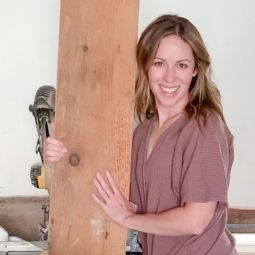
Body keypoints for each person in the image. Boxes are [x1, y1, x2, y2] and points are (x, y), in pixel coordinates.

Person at [44, 14, 237, 255]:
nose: (169, 77)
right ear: (145, 66)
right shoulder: (143, 132)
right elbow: (134, 203)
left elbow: (194, 221)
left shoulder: (204, 128)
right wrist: (63, 155)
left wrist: (127, 218)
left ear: (196, 70)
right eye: (159, 63)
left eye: (182, 65)